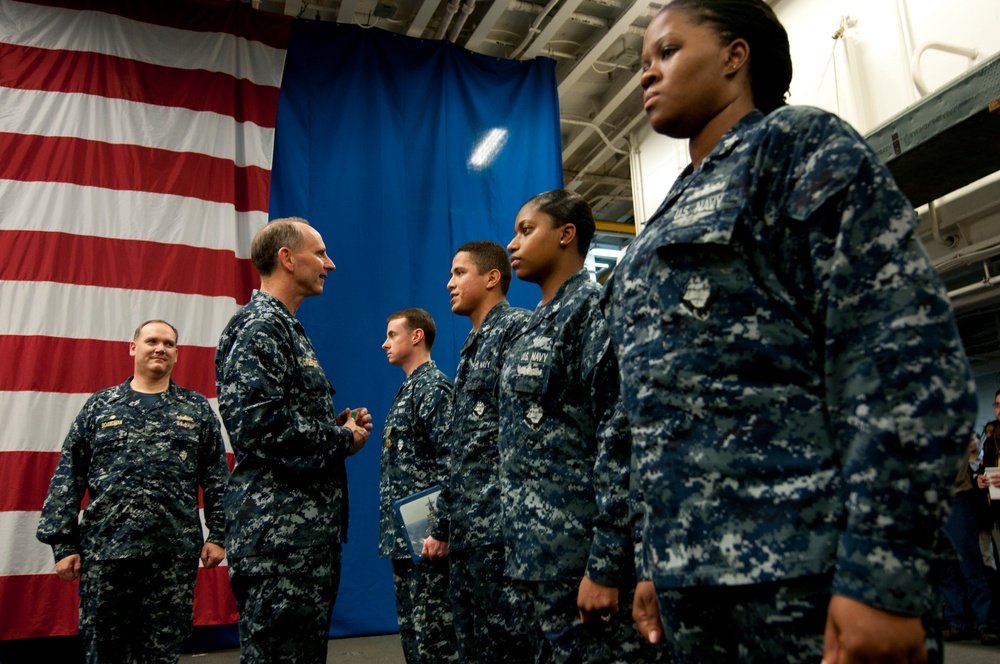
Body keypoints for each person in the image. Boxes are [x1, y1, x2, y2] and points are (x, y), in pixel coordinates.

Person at [600, 1, 977, 662]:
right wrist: (655, 561)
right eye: (641, 63)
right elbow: (657, 409)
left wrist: (880, 578)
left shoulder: (795, 147)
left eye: (666, 52)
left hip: (806, 578)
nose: (646, 75)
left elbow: (899, 355)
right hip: (695, 587)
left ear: (734, 56)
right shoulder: (670, 209)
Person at [500, 190, 663, 663]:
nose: (512, 243)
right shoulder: (535, 324)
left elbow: (620, 435)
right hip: (538, 561)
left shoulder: (592, 310)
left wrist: (607, 564)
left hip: (581, 563)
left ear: (566, 235)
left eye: (526, 230)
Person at [215, 217, 372, 663]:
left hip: (300, 538)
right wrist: (340, 438)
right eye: (320, 253)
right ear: (287, 258)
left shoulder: (284, 329)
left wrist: (338, 426)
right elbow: (260, 428)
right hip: (279, 539)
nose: (331, 264)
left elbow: (285, 420)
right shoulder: (259, 327)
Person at [36, 320, 230, 663]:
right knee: (105, 652)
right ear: (133, 347)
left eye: (169, 344)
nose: (160, 348)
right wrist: (63, 543)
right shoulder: (100, 407)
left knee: (161, 654)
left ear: (176, 354)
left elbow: (216, 478)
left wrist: (219, 534)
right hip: (107, 554)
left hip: (170, 558)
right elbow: (68, 476)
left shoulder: (196, 409)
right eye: (152, 341)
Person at [423, 240, 535, 663]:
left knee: (508, 650)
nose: (448, 282)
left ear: (491, 278)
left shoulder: (516, 330)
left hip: (501, 534)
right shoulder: (472, 347)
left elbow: (523, 436)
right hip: (470, 537)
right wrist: (447, 526)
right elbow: (464, 452)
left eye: (458, 273)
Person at [380, 308, 458, 663]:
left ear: (417, 336)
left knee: (436, 644)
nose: (384, 343)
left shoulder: (433, 388)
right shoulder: (409, 390)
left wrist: (442, 529)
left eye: (392, 334)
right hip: (406, 541)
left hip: (428, 542)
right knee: (415, 642)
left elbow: (451, 463)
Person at [941, 433, 999, 645]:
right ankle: (957, 621)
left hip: (957, 497)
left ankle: (986, 622)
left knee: (970, 562)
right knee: (946, 565)